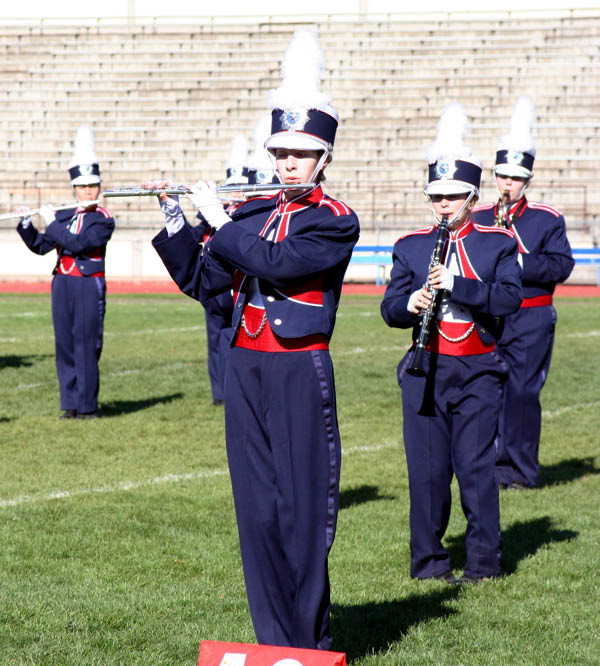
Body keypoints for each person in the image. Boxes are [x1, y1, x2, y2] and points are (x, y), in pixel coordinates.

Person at [151, 29, 359, 649]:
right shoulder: (253, 213)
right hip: (246, 370)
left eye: (301, 153)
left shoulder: (333, 219)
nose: (287, 163)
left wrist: (221, 222)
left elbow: (280, 264)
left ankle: (309, 644)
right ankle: (273, 642)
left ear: (323, 157)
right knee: (258, 513)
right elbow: (205, 285)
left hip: (298, 369)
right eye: (281, 152)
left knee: (302, 514)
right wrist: (180, 226)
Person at [381, 103, 522, 583]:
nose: (443, 205)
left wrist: (457, 284)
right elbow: (388, 309)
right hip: (425, 372)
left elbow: (507, 300)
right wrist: (412, 302)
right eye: (436, 196)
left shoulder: (496, 243)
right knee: (426, 474)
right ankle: (428, 563)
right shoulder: (411, 246)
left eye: (453, 196)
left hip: (478, 370)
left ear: (472, 195)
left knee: (476, 469)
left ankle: (483, 562)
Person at [472, 97, 574, 489]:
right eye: (501, 177)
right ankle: (491, 466)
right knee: (487, 390)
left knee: (522, 393)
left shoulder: (546, 219)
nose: (506, 185)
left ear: (526, 180)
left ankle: (521, 470)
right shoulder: (480, 217)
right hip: (491, 314)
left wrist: (519, 263)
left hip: (531, 317)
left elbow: (561, 266)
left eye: (514, 179)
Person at [16, 126, 115, 419]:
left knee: (86, 344)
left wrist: (53, 223)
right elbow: (42, 246)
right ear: (74, 188)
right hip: (62, 284)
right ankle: (70, 404)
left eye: (92, 186)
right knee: (65, 345)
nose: (88, 192)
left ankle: (87, 407)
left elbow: (81, 244)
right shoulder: (64, 215)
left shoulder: (103, 220)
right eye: (82, 187)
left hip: (87, 285)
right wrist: (26, 225)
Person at [196, 134, 249, 406]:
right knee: (214, 341)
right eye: (232, 188)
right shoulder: (214, 214)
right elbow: (197, 238)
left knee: (235, 339)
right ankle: (219, 393)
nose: (236, 193)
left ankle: (233, 390)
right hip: (214, 289)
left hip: (235, 287)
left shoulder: (246, 215)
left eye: (241, 187)